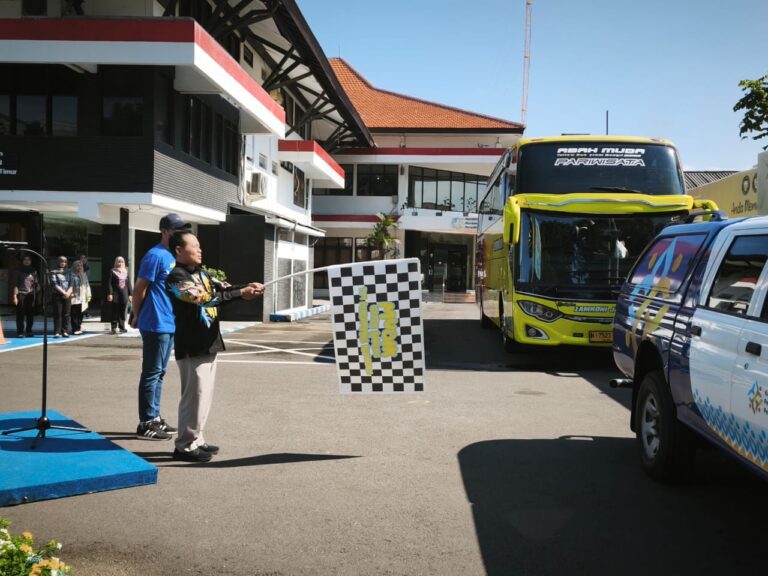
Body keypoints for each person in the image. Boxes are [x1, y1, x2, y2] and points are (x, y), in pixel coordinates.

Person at [166, 230, 263, 462]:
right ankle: (184, 446)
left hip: (209, 342)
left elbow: (221, 290)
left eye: (200, 246)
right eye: (195, 246)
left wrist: (246, 288)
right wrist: (241, 293)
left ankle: (197, 438)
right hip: (192, 345)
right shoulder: (176, 278)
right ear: (179, 250)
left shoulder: (203, 273)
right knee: (193, 396)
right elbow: (201, 299)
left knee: (204, 396)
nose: (200, 250)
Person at [130, 213, 190, 440]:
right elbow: (139, 290)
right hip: (155, 322)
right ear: (164, 231)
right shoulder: (155, 256)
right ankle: (145, 423)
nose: (180, 233)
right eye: (177, 230)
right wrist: (137, 315)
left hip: (168, 322)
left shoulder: (171, 256)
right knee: (151, 373)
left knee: (160, 373)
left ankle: (154, 418)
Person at [12, 254, 39, 338]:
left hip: (31, 295)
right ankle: (20, 332)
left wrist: (37, 289)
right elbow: (15, 284)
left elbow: (36, 283)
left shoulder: (33, 271)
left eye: (29, 260)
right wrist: (15, 296)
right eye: (25, 260)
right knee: (20, 314)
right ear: (22, 261)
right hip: (21, 294)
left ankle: (29, 331)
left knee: (30, 314)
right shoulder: (18, 271)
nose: (27, 261)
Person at [107, 256, 132, 334]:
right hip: (115, 294)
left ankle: (122, 327)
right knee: (114, 311)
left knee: (122, 311)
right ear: (116, 262)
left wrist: (130, 294)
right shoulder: (112, 271)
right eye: (119, 262)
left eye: (122, 262)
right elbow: (109, 283)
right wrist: (110, 293)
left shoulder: (126, 271)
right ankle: (113, 328)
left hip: (124, 294)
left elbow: (128, 284)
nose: (120, 263)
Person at [50, 256, 72, 338]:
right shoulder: (53, 272)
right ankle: (57, 332)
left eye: (64, 262)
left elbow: (71, 284)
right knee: (57, 314)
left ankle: (65, 331)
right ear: (58, 262)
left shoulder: (69, 272)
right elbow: (54, 284)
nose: (63, 263)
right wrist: (63, 292)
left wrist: (68, 293)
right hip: (57, 295)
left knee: (66, 314)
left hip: (68, 295)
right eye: (61, 261)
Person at [68, 259, 91, 335]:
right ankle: (75, 328)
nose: (79, 267)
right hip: (74, 296)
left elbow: (87, 285)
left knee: (80, 313)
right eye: (78, 265)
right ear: (74, 266)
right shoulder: (71, 274)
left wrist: (88, 294)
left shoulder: (83, 274)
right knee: (74, 313)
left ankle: (78, 327)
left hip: (82, 297)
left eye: (81, 265)